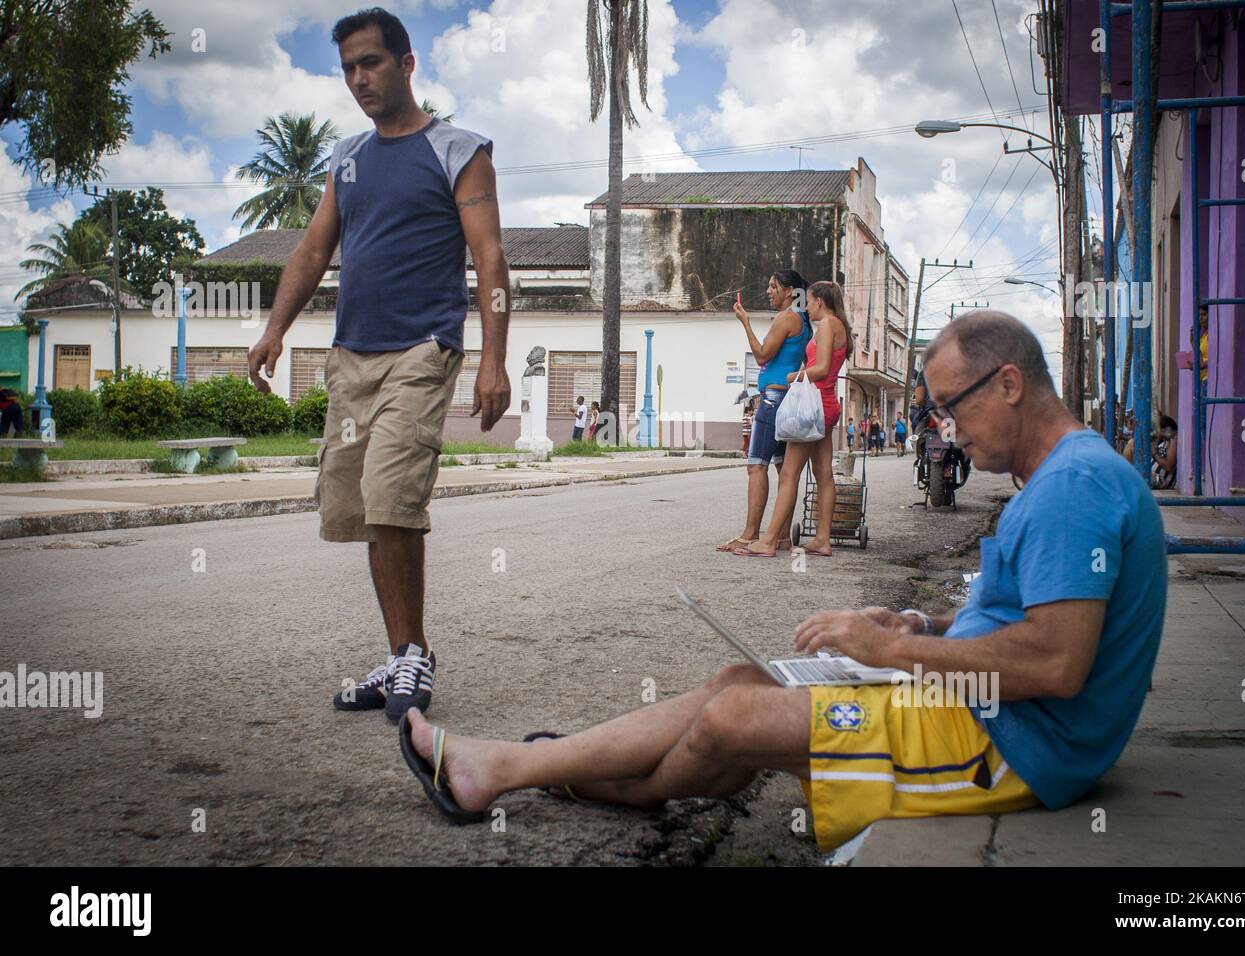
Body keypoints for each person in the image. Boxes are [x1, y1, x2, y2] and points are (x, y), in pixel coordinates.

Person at [397, 311, 1168, 854]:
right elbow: (1028, 626)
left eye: (948, 409)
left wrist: (885, 652)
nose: (943, 430)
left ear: (1007, 385)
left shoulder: (1073, 489)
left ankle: (572, 777)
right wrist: (921, 630)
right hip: (973, 712)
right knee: (738, 679)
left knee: (736, 718)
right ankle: (532, 767)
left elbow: (1055, 665)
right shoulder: (1065, 478)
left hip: (1008, 747)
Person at [247, 7, 510, 721]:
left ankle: (413, 658)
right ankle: (401, 656)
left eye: (371, 62)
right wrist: (275, 329)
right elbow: (310, 252)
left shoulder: (459, 150)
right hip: (351, 356)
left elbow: (489, 258)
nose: (360, 78)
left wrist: (494, 360)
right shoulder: (346, 158)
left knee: (393, 495)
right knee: (363, 507)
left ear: (407, 63)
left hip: (422, 350)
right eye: (348, 69)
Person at [734, 280, 850, 558]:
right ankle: (822, 539)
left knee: (788, 474)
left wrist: (792, 376)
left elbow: (820, 369)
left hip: (814, 405)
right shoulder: (840, 327)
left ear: (820, 302)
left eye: (809, 301)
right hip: (828, 405)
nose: (806, 307)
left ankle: (769, 540)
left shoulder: (828, 326)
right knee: (823, 474)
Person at [718, 270, 812, 553]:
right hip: (788, 401)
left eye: (774, 286)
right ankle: (782, 536)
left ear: (790, 291)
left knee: (756, 465)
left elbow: (761, 355)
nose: (769, 290)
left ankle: (749, 535)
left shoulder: (786, 318)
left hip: (772, 400)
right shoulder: (804, 321)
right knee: (784, 469)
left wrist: (745, 323)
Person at [1151, 415, 1178, 489]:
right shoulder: (1164, 442)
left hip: (1162, 481)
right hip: (1153, 476)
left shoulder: (1173, 441)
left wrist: (1155, 454)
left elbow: (1168, 466)